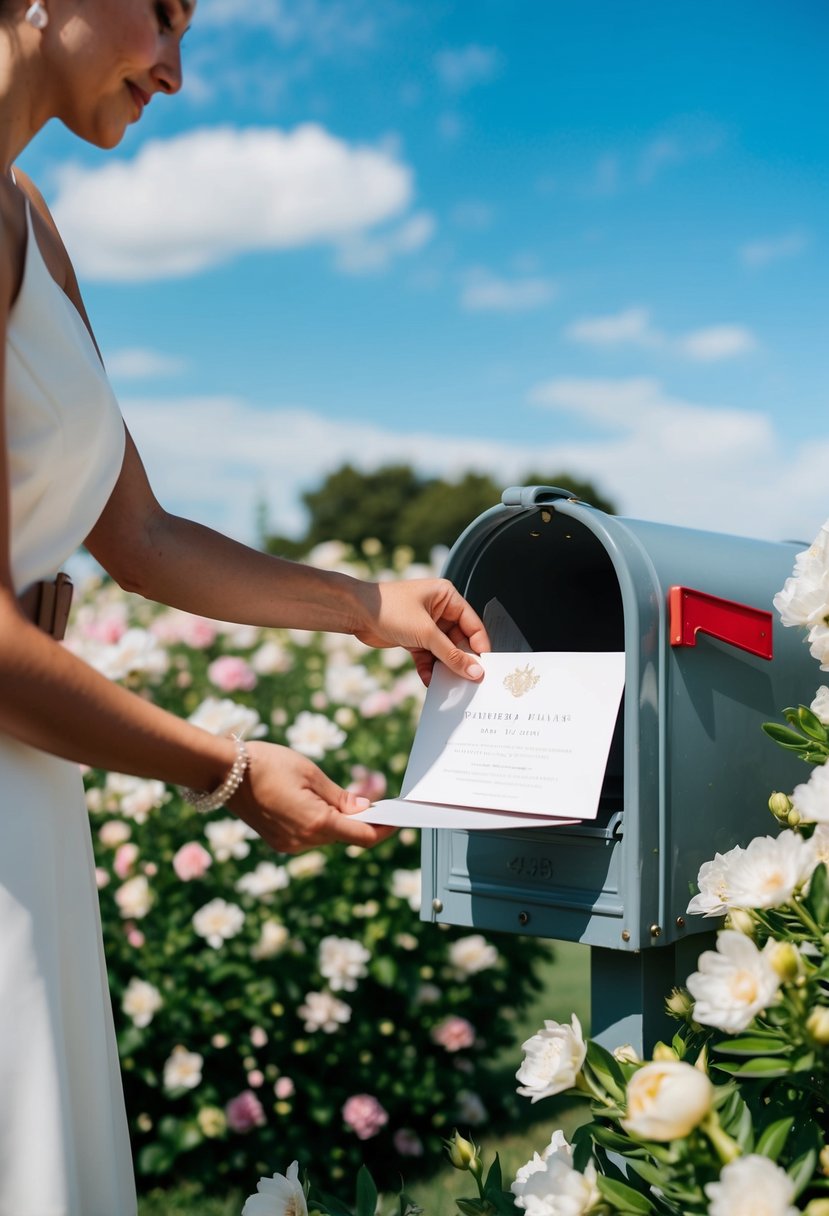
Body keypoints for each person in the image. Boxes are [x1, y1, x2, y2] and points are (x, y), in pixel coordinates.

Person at [0, 2, 490, 1212]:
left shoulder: (30, 221)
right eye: (161, 12)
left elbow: (141, 533)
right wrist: (223, 768)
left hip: (29, 779)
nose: (175, 68)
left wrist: (369, 603)